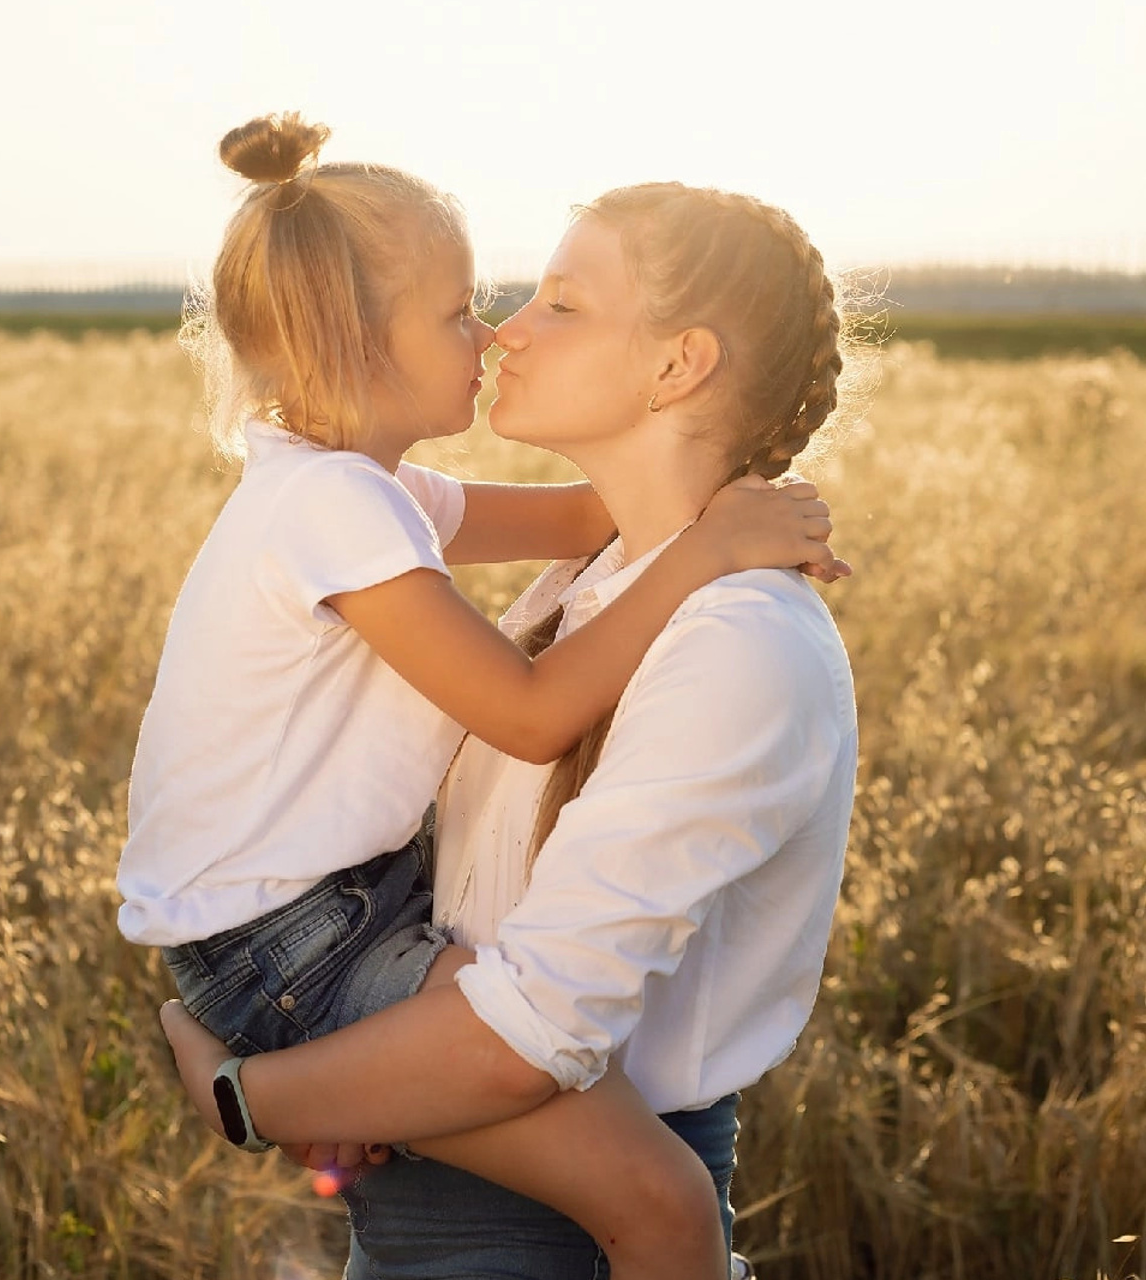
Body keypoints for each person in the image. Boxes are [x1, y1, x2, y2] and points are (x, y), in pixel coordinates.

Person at [121, 115, 844, 1280]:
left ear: (675, 363)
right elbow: (529, 708)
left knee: (657, 1200)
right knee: (656, 1207)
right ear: (359, 342)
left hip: (346, 958)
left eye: (555, 303)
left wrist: (733, 514)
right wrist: (707, 542)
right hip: (309, 940)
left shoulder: (380, 496)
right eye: (465, 310)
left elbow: (582, 513)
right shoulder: (348, 507)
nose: (498, 330)